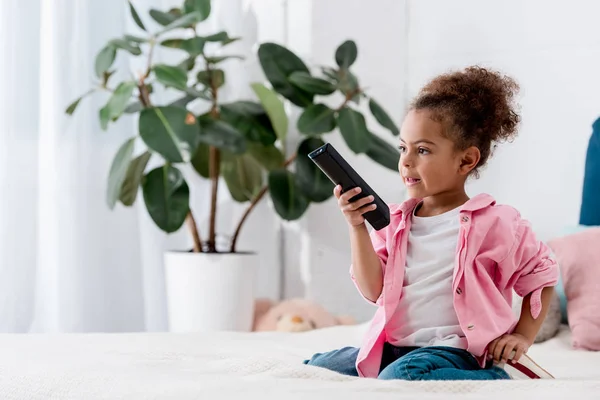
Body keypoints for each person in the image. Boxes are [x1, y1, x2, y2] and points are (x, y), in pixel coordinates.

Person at [303, 66, 559, 380]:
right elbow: (373, 291)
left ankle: (499, 380)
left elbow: (542, 276)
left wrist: (521, 337)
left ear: (466, 160)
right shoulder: (395, 222)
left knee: (402, 377)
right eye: (403, 148)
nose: (406, 161)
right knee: (317, 369)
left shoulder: (497, 222)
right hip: (396, 347)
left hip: (456, 352)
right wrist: (357, 226)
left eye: (422, 150)